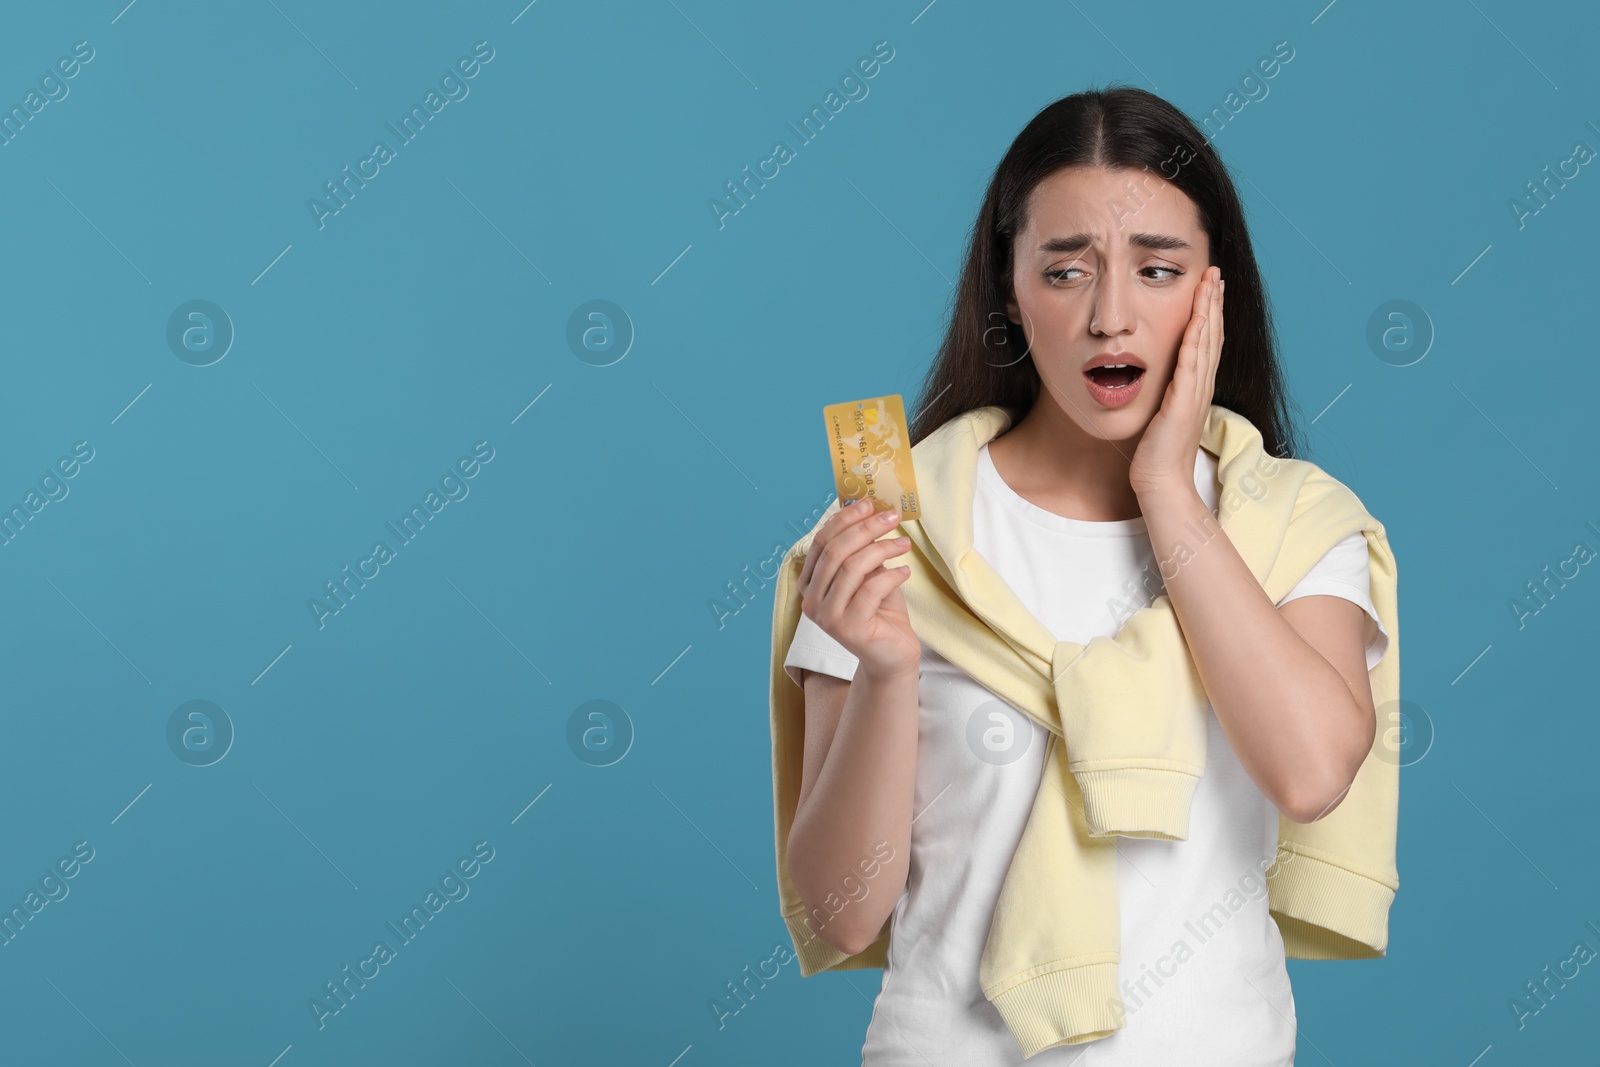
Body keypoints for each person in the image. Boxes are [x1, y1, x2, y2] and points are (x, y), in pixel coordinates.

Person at [780, 85, 1390, 1064]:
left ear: (1212, 291)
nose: (1111, 316)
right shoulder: (889, 529)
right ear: (1009, 294)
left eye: (1157, 268)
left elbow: (1310, 771)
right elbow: (844, 912)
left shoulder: (1288, 522)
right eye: (1065, 271)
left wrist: (1168, 492)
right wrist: (888, 670)